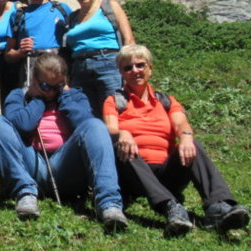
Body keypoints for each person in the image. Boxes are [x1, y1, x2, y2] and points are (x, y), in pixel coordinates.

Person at [102, 45, 249, 237]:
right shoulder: (114, 101)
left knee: (193, 144)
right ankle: (170, 207)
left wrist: (186, 138)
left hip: (165, 171)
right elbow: (110, 127)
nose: (135, 71)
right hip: (135, 172)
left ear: (150, 68)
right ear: (121, 72)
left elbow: (181, 123)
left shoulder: (166, 101)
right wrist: (122, 133)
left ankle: (219, 206)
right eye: (128, 68)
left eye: (140, 65)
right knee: (124, 149)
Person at [0, 53, 128, 232]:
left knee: (96, 125)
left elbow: (85, 126)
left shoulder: (76, 96)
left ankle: (109, 204)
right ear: (33, 78)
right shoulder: (18, 96)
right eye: (44, 86)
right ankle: (25, 192)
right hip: (32, 162)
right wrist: (38, 100)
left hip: (65, 166)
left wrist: (64, 97)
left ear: (64, 81)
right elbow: (22, 124)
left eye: (56, 86)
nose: (50, 92)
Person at [66, 0, 135, 116]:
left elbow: (129, 40)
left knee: (115, 111)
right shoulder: (72, 17)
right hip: (79, 69)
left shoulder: (109, 6)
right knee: (85, 114)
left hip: (109, 64)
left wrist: (129, 69)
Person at [3, 0, 71, 89]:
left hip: (58, 66)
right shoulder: (17, 15)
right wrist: (20, 52)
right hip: (30, 68)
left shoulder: (62, 9)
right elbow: (8, 55)